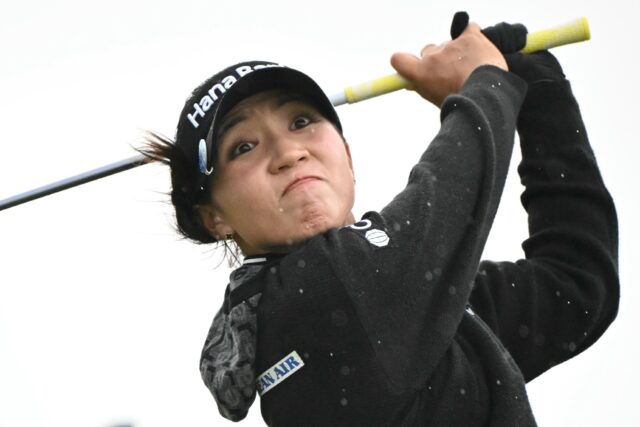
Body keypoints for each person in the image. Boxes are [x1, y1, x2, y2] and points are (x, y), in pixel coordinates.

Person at [141, 15, 619, 427]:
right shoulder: (316, 298)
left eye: (302, 121)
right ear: (213, 218)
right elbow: (450, 192)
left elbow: (576, 284)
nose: (289, 152)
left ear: (347, 157)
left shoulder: (407, 302)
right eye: (243, 147)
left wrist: (541, 96)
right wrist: (488, 81)